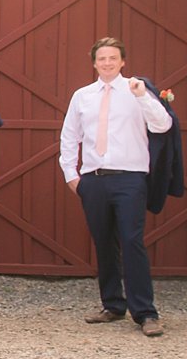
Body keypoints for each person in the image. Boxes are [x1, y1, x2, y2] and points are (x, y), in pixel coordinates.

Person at [58, 37, 176, 338]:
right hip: (94, 179)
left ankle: (145, 313)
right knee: (103, 241)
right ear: (94, 63)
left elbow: (163, 125)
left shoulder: (137, 90)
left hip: (129, 178)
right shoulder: (82, 96)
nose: (107, 63)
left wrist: (143, 97)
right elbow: (70, 136)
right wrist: (72, 175)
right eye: (102, 59)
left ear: (123, 61)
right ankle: (112, 304)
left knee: (132, 240)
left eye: (113, 58)